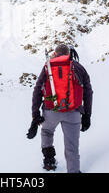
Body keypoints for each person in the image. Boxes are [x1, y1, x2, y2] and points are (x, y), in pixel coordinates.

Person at [29, 44, 93, 173]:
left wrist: (35, 114)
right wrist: (87, 115)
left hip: (50, 112)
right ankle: (73, 170)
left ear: (55, 54)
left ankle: (49, 162)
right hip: (73, 113)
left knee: (47, 132)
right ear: (69, 54)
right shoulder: (78, 67)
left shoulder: (48, 67)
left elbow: (37, 89)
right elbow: (88, 92)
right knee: (72, 146)